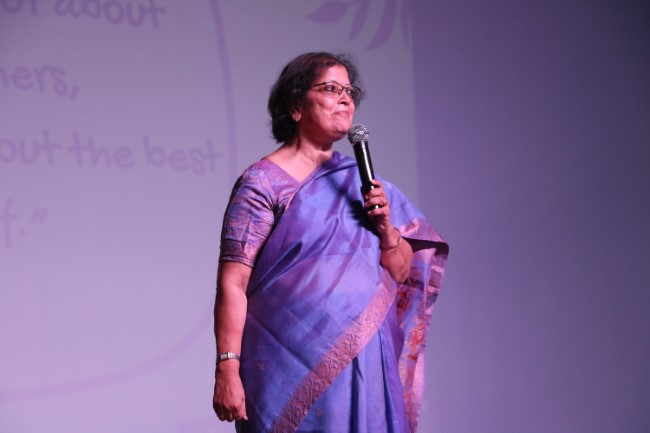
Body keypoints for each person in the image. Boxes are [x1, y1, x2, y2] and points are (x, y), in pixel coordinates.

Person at [212, 52, 448, 433]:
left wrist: (387, 230)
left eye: (350, 92)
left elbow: (401, 270)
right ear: (295, 106)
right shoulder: (262, 183)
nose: (345, 99)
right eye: (331, 88)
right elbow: (233, 283)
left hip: (366, 362)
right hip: (286, 366)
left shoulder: (366, 184)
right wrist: (227, 367)